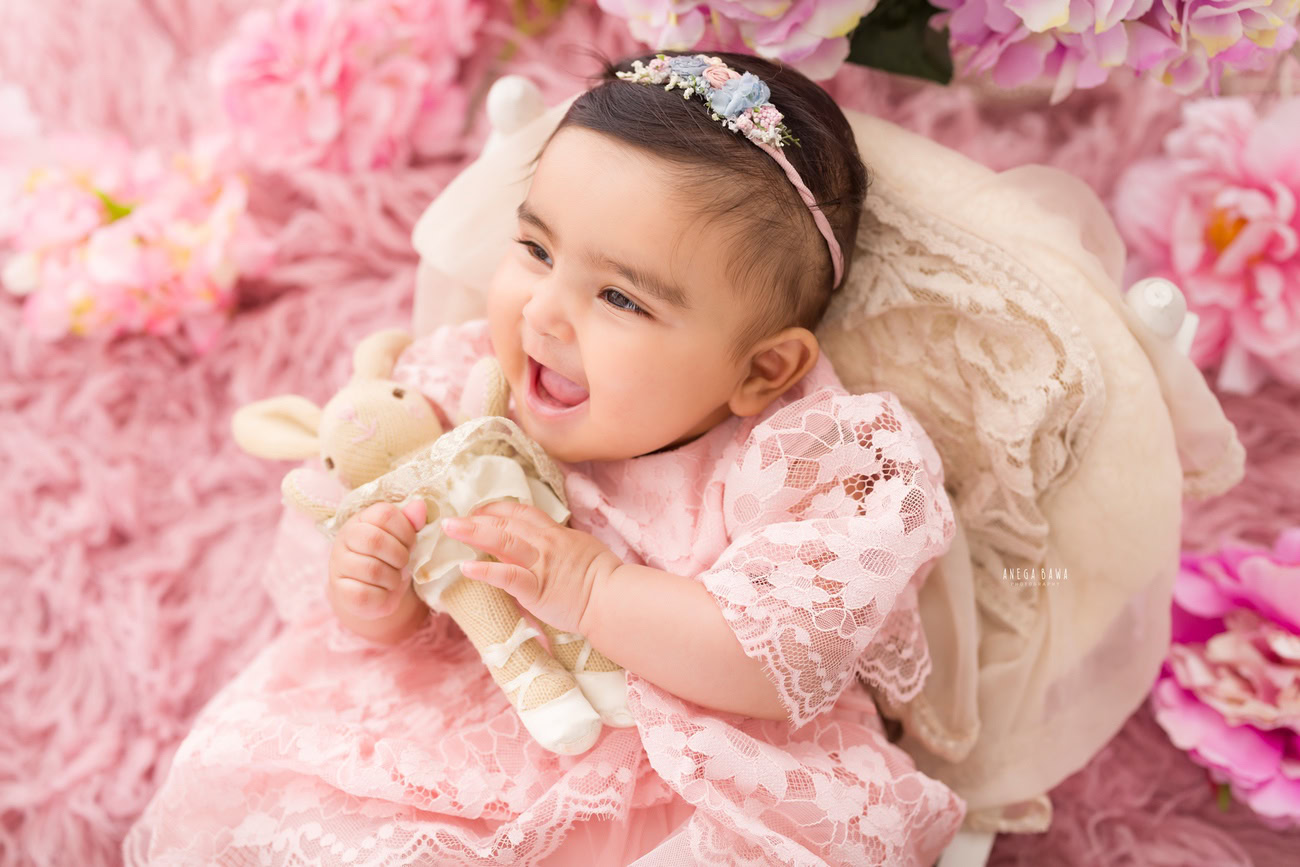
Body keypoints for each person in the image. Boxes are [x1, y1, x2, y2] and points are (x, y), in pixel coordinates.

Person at [124, 50, 966, 866]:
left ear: (761, 369)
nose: (545, 313)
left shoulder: (808, 462)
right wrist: (375, 585)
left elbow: (771, 662)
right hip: (440, 741)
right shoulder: (458, 389)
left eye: (620, 297)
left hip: (675, 770)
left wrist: (593, 588)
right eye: (535, 250)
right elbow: (408, 569)